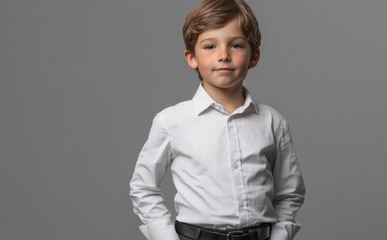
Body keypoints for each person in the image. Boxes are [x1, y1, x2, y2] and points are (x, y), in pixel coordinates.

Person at [129, 0, 305, 239]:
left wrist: (280, 235)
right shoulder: (171, 121)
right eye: (210, 46)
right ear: (191, 58)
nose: (223, 55)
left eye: (235, 45)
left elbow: (289, 192)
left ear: (254, 57)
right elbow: (143, 186)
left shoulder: (272, 122)